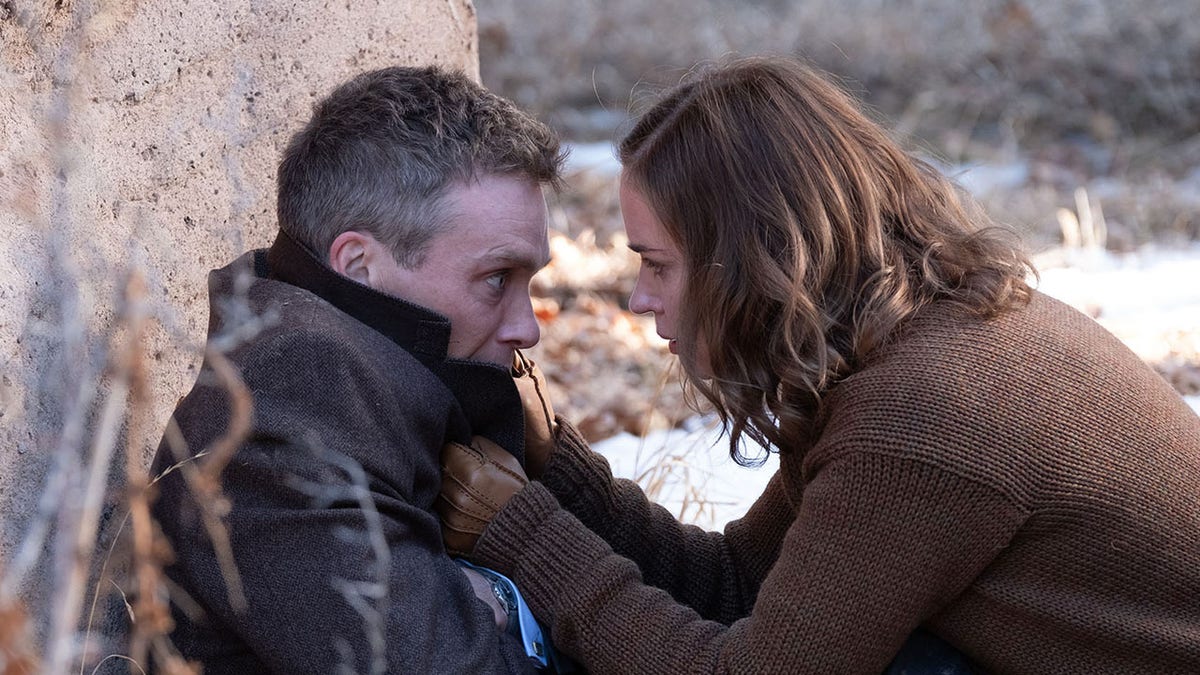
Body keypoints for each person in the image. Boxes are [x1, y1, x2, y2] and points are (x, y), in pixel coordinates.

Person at [437, 56, 1200, 674]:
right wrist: (558, 467)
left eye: (658, 265)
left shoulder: (926, 414)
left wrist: (527, 536)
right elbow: (741, 584)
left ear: (754, 262)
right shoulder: (903, 344)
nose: (639, 299)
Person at [148, 65, 565, 673]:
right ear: (359, 265)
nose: (526, 326)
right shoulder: (284, 424)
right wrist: (513, 596)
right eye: (497, 279)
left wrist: (496, 596)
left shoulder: (396, 383)